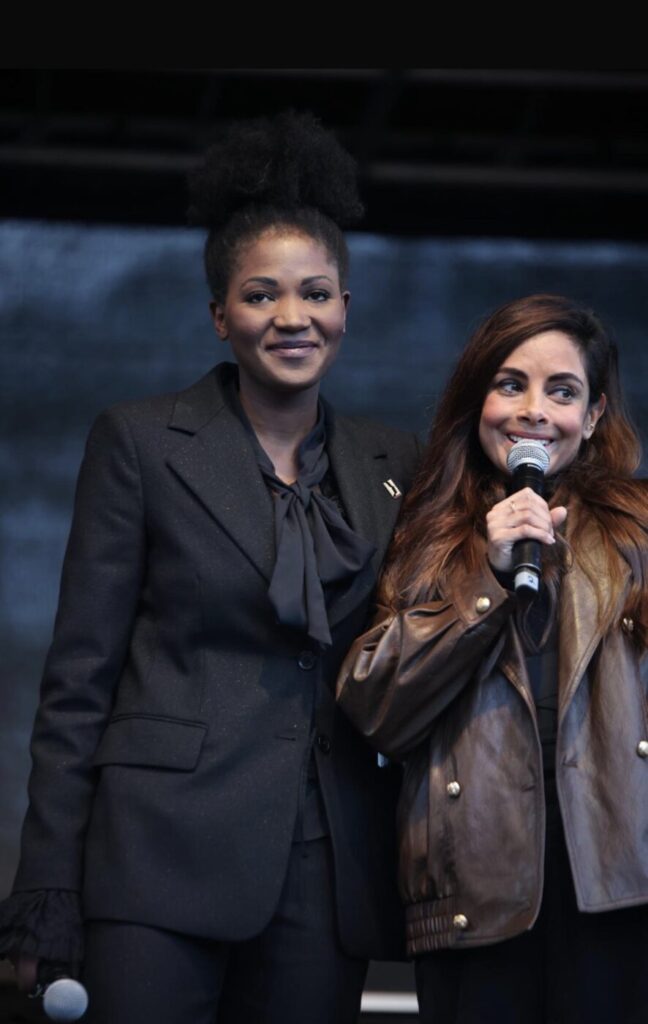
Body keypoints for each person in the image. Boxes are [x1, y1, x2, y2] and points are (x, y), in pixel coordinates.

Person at [0, 111, 421, 1024]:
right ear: (220, 315)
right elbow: (77, 683)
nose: (292, 317)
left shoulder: (395, 463)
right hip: (157, 855)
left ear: (346, 308)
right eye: (262, 295)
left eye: (316, 293)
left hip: (326, 864)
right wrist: (47, 883)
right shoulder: (141, 442)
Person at [337, 294, 648, 1024]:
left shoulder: (638, 531)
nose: (534, 411)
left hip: (622, 883)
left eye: (562, 391)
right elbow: (375, 706)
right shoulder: (424, 535)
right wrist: (487, 575)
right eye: (511, 384)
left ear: (593, 416)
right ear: (478, 398)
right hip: (473, 890)